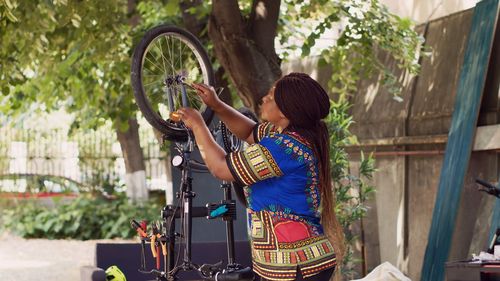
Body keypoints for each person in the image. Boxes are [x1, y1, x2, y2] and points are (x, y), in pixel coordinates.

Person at [177, 72, 345, 281]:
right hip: (289, 262)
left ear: (285, 112)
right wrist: (217, 105)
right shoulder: (284, 134)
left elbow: (221, 168)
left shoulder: (283, 147)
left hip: (297, 265)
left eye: (271, 97)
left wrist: (198, 125)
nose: (264, 99)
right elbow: (249, 132)